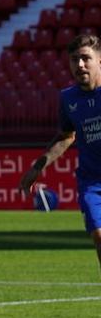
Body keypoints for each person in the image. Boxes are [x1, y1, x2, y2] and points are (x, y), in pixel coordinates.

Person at [20, 33, 101, 271]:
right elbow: (66, 136)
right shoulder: (68, 98)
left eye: (86, 58)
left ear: (99, 60)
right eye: (74, 59)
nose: (80, 65)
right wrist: (37, 168)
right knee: (98, 235)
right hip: (91, 181)